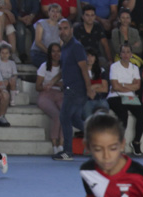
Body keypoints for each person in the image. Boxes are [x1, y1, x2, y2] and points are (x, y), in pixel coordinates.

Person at [54, 18, 90, 161]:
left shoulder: (76, 46)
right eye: (60, 29)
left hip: (76, 89)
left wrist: (89, 88)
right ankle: (96, 133)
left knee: (64, 117)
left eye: (65, 28)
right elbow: (66, 69)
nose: (62, 31)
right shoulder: (65, 47)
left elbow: (84, 69)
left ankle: (68, 151)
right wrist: (54, 81)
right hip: (71, 88)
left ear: (71, 30)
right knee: (75, 119)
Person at [108, 43, 143, 155]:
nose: (126, 54)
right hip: (115, 96)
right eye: (123, 52)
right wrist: (129, 85)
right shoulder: (114, 66)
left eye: (128, 52)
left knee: (142, 114)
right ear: (120, 54)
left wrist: (122, 85)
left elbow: (137, 86)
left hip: (130, 97)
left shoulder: (134, 68)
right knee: (123, 115)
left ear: (131, 54)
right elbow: (115, 86)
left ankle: (136, 142)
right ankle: (119, 143)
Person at [37, 42, 66, 155]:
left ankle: (62, 144)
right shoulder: (44, 66)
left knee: (65, 113)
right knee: (57, 115)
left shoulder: (65, 66)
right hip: (46, 94)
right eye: (53, 51)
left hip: (60, 94)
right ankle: (54, 144)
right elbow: (37, 87)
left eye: (58, 51)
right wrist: (46, 86)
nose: (56, 54)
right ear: (49, 53)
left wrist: (59, 85)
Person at [30, 3, 64, 67]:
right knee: (50, 65)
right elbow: (38, 42)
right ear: (49, 12)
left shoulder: (61, 27)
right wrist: (50, 53)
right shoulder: (41, 23)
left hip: (54, 55)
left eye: (57, 12)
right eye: (53, 11)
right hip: (39, 53)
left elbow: (61, 44)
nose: (55, 14)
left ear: (60, 14)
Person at [81, 48, 110, 118]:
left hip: (100, 99)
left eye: (92, 56)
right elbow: (81, 88)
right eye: (87, 56)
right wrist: (97, 85)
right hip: (86, 101)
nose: (89, 58)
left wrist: (91, 87)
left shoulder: (101, 71)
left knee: (103, 119)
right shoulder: (79, 72)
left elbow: (105, 89)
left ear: (95, 58)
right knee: (89, 120)